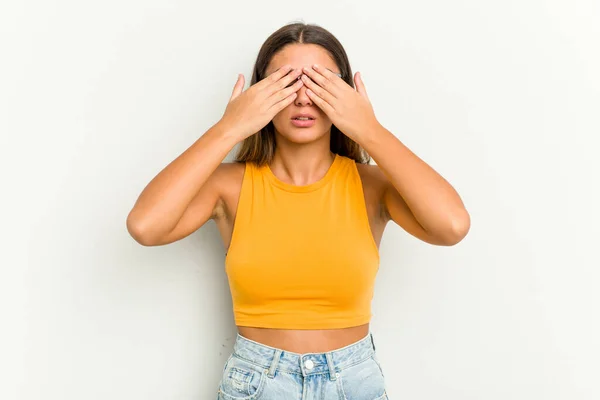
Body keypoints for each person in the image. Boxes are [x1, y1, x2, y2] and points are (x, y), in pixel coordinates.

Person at [126, 22, 470, 400]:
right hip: (256, 384)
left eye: (320, 82)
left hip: (354, 382)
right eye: (286, 82)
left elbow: (451, 226)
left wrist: (368, 129)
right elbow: (145, 226)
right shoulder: (229, 186)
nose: (303, 98)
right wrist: (230, 127)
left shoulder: (371, 185)